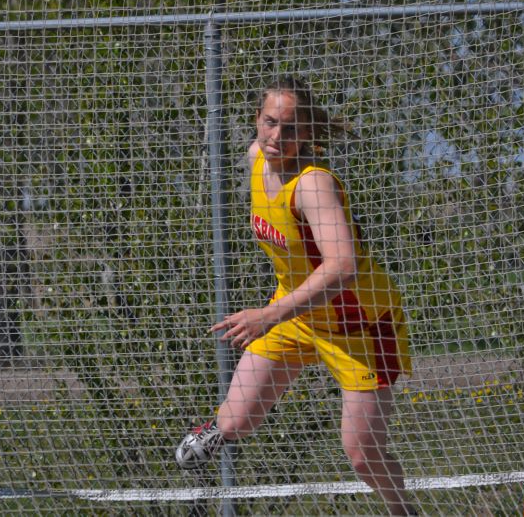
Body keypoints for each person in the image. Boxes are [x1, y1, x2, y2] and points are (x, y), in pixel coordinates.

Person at [175, 77, 414, 515]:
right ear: (257, 120)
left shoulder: (312, 184)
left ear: (305, 133)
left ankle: (405, 513)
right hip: (297, 313)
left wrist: (269, 314)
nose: (276, 137)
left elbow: (343, 266)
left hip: (357, 324)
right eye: (269, 123)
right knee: (235, 421)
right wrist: (278, 313)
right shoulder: (254, 159)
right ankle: (205, 439)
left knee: (361, 452)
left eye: (289, 128)